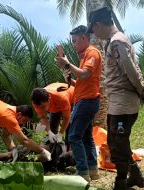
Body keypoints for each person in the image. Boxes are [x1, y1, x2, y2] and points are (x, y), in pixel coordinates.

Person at [87, 7, 144, 190]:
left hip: (124, 104)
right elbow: (134, 68)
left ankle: (127, 178)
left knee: (118, 142)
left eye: (93, 29)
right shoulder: (115, 42)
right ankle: (128, 178)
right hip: (118, 103)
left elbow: (132, 71)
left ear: (98, 25)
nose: (93, 33)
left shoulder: (117, 42)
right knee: (116, 142)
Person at [56, 25, 102, 181]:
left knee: (74, 136)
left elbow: (85, 74)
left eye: (75, 41)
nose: (74, 44)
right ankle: (92, 170)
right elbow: (83, 81)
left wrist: (67, 64)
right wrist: (68, 77)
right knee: (86, 137)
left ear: (84, 38)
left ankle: (82, 172)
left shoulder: (92, 53)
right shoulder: (85, 56)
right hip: (87, 99)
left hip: (87, 101)